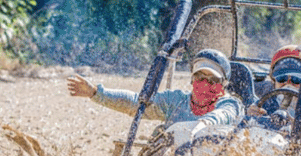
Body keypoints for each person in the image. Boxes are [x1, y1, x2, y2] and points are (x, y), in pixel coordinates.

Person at [67, 49, 244, 137]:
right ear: (192, 79)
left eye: (212, 80)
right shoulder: (176, 101)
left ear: (223, 85)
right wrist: (96, 93)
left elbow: (223, 115)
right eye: (200, 78)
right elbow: (137, 103)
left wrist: (204, 123)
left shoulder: (229, 104)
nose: (205, 84)